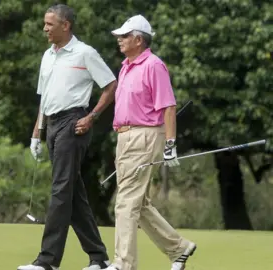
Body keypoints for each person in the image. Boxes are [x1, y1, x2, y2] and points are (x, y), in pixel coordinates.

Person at [17, 4, 118, 270]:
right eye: (44, 23)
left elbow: (110, 85)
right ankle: (99, 257)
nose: (45, 28)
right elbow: (44, 97)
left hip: (74, 123)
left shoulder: (85, 53)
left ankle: (47, 261)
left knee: (61, 190)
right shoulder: (47, 55)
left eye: (50, 24)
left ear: (66, 25)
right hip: (51, 125)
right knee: (72, 193)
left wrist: (92, 116)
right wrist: (36, 133)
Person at [105, 15, 197, 270]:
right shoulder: (126, 66)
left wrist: (170, 145)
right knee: (138, 203)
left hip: (144, 135)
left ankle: (124, 264)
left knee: (125, 202)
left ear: (138, 39)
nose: (119, 40)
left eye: (124, 36)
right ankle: (179, 248)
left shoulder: (154, 65)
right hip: (125, 137)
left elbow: (168, 106)